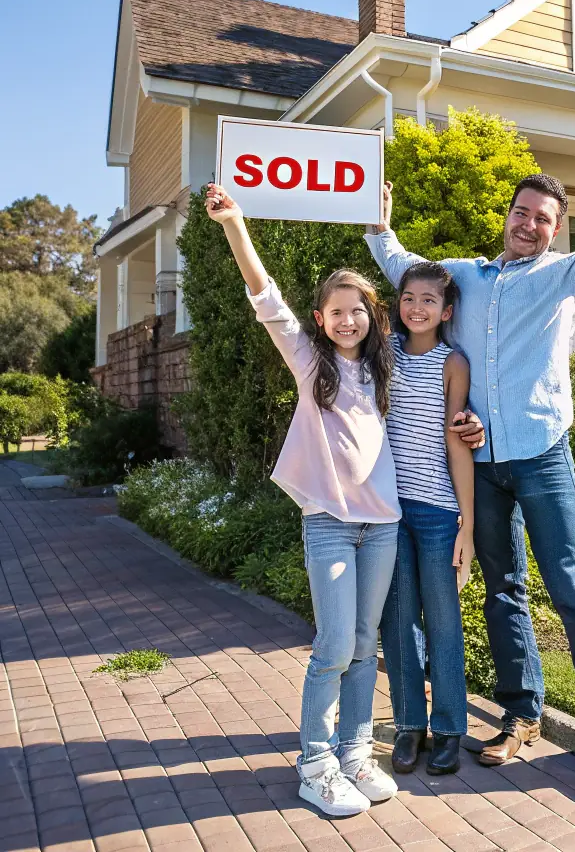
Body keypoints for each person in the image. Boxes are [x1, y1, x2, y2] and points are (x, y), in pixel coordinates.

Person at [365, 102, 575, 796]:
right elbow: (404, 271)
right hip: (479, 465)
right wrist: (376, 218)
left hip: (540, 456)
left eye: (543, 217)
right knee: (502, 593)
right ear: (507, 214)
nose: (529, 223)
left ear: (556, 229)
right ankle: (520, 715)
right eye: (522, 211)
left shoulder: (564, 275)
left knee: (571, 591)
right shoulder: (464, 279)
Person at [204, 184, 404, 818]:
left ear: (374, 317)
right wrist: (236, 223)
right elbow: (265, 296)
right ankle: (314, 762)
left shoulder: (383, 367)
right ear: (320, 320)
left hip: (384, 523)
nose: (349, 320)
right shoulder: (307, 360)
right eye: (337, 311)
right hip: (330, 523)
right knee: (334, 645)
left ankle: (354, 751)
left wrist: (384, 226)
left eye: (359, 311)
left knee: (366, 643)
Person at [379, 262, 475, 776]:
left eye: (430, 301)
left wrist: (468, 524)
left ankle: (449, 730)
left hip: (438, 511)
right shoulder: (384, 353)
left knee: (443, 620)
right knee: (397, 621)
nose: (418, 307)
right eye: (409, 298)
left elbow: (456, 442)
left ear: (447, 310)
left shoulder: (451, 362)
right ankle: (409, 725)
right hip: (388, 512)